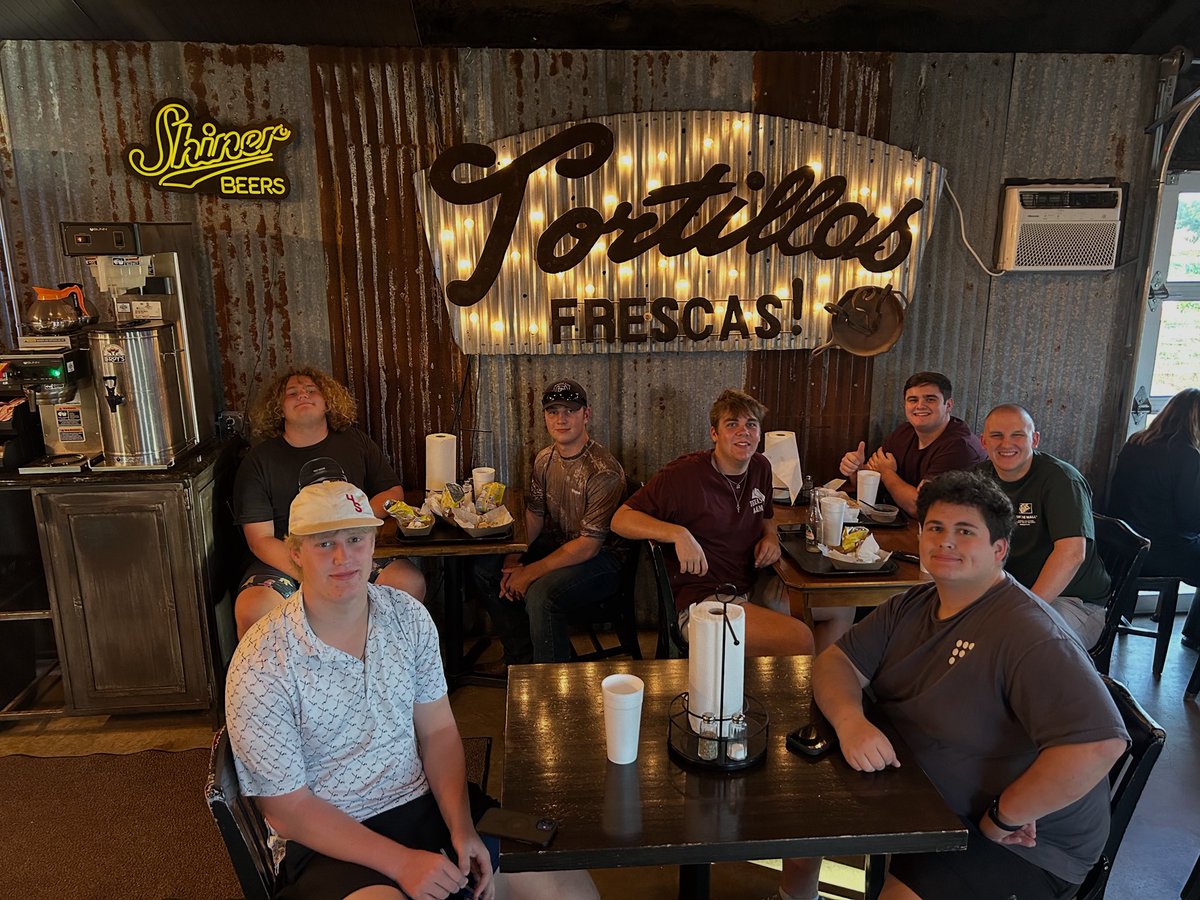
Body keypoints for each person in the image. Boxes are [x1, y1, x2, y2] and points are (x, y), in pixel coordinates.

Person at [226, 480, 598, 900]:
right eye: (324, 543)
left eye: (355, 539)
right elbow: (287, 809)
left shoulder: (408, 617)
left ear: (373, 545)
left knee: (569, 888)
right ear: (295, 553)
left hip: (424, 803)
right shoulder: (262, 660)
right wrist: (403, 863)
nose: (343, 557)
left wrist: (462, 828)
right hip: (327, 838)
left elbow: (438, 731)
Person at [813, 470, 1129, 900]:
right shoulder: (912, 604)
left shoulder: (1030, 633)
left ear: (999, 550)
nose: (946, 542)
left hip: (1024, 846)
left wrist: (1004, 816)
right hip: (928, 800)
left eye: (965, 531)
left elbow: (1099, 745)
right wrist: (851, 721)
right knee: (809, 809)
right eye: (935, 528)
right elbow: (836, 661)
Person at [612, 388, 829, 900]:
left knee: (827, 611)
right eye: (733, 425)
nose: (743, 433)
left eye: (751, 425)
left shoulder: (761, 469)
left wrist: (770, 536)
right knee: (800, 637)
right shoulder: (684, 475)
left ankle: (794, 716)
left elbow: (766, 514)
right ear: (713, 432)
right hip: (702, 608)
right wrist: (676, 533)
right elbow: (621, 518)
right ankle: (794, 739)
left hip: (746, 589)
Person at [232, 367, 425, 638]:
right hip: (288, 558)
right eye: (292, 393)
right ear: (278, 408)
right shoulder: (259, 460)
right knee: (253, 610)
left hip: (353, 549)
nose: (303, 395)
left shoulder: (355, 442)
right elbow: (259, 539)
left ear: (328, 402)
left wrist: (355, 518)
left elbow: (392, 492)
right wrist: (311, 572)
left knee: (407, 583)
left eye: (311, 390)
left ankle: (382, 663)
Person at [473, 378, 626, 665]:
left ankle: (551, 679)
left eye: (570, 410)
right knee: (486, 568)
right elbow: (535, 515)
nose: (561, 419)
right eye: (553, 411)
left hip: (603, 560)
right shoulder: (544, 459)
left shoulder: (602, 471)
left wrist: (529, 572)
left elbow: (589, 546)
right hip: (561, 544)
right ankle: (523, 658)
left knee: (541, 596)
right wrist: (513, 559)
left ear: (586, 415)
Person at [976, 404, 1110, 649]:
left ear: (1034, 439)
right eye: (997, 435)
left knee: (1016, 645)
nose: (1006, 444)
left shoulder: (1062, 480)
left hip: (1071, 601)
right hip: (1008, 591)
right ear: (983, 441)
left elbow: (1072, 554)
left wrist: (1024, 608)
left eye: (1017, 435)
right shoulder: (979, 477)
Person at [1108, 387, 1200, 650]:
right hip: (1159, 554)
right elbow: (1190, 521)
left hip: (1123, 546)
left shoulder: (1135, 443)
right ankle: (1195, 635)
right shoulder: (1188, 456)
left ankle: (1183, 627)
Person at [839, 371, 986, 517]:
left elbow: (921, 507)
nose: (920, 406)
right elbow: (873, 482)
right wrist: (856, 470)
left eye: (930, 399)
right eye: (913, 400)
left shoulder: (960, 447)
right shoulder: (904, 432)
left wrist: (887, 473)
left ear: (948, 405)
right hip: (902, 523)